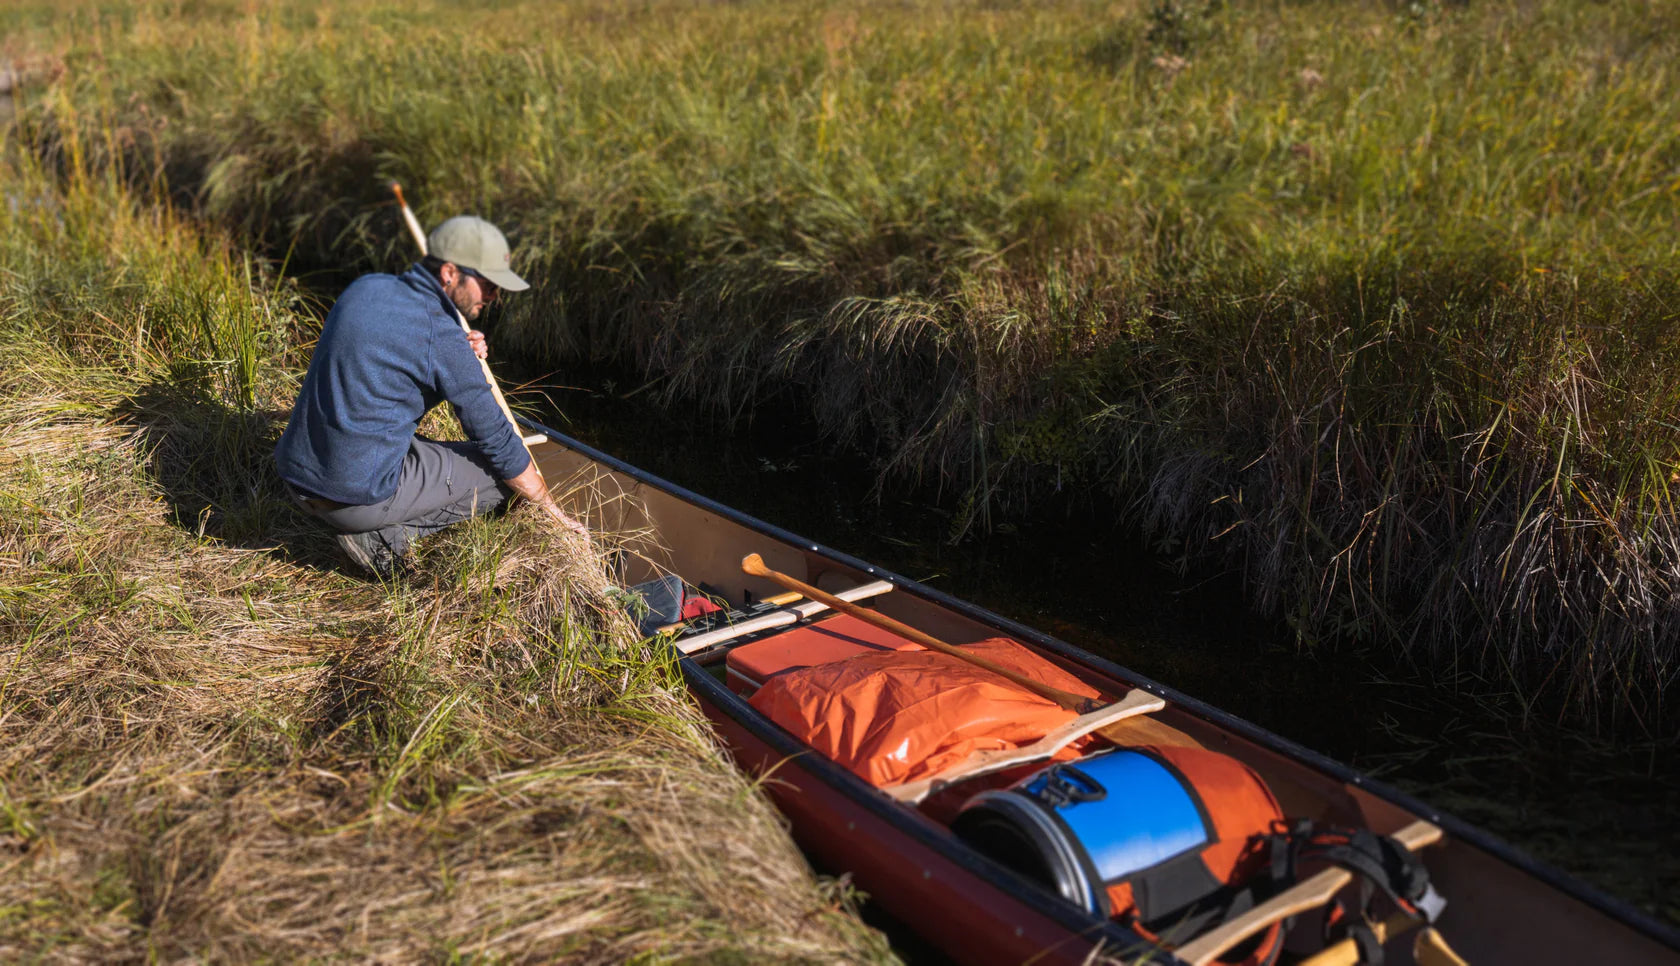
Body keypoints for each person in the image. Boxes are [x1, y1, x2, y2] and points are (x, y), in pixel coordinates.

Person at [275, 215, 585, 577]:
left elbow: (396, 368)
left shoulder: (367, 286)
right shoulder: (441, 337)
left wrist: (454, 357)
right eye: (487, 285)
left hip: (297, 475)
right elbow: (498, 441)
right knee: (504, 475)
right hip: (350, 499)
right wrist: (556, 515)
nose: (494, 297)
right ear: (450, 273)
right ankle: (382, 540)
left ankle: (371, 522)